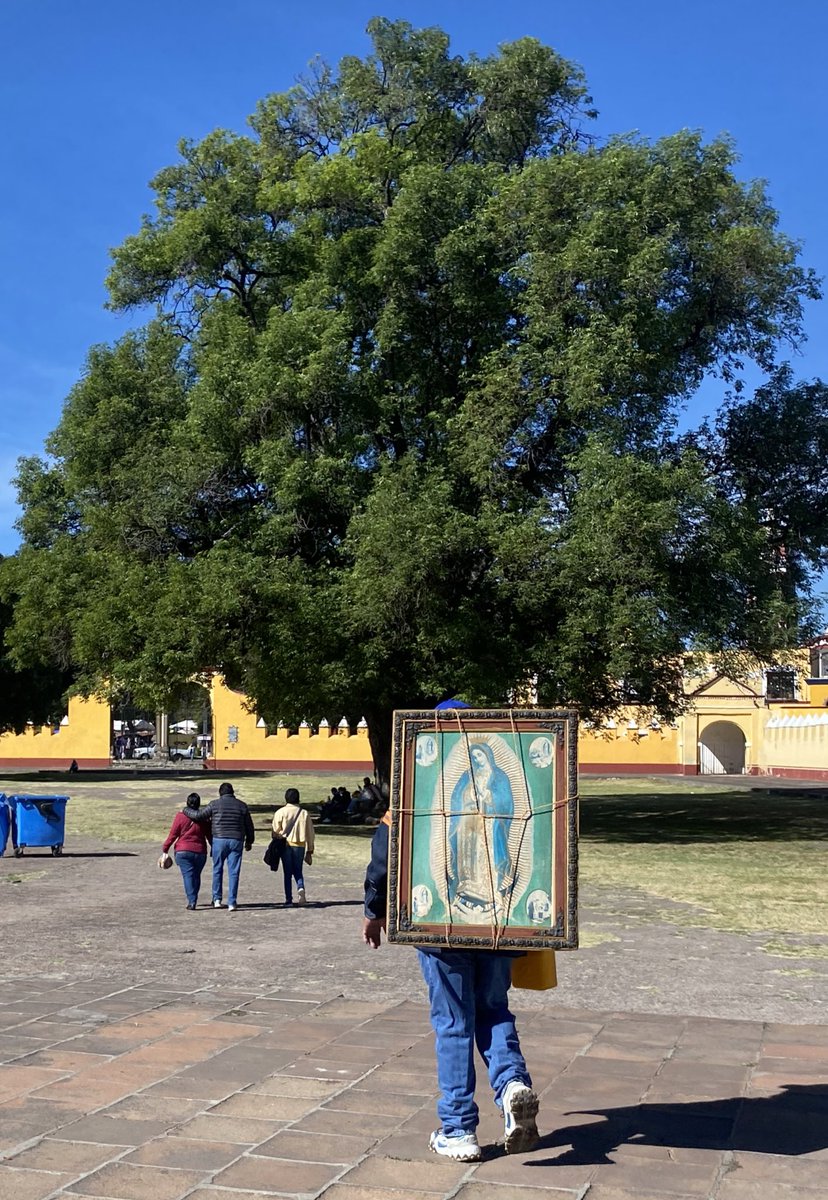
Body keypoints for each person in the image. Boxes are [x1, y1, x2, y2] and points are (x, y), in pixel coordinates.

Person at [362, 709, 539, 1164]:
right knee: (494, 1009)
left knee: (453, 1024)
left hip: (440, 929)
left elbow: (384, 856)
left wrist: (373, 911)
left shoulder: (412, 793)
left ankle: (458, 1128)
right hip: (497, 927)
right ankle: (512, 1084)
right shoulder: (485, 784)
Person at [185, 781, 254, 912]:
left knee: (217, 869)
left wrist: (186, 810)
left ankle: (217, 899)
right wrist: (249, 841)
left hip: (219, 839)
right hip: (236, 840)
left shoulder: (214, 804)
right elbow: (249, 826)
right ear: (232, 793)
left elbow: (199, 816)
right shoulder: (242, 806)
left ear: (220, 793)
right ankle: (232, 902)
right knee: (234, 872)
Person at [162, 792, 211, 909]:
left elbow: (173, 834)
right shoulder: (204, 818)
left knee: (188, 875)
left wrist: (165, 848)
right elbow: (209, 835)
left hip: (183, 850)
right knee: (196, 875)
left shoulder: (180, 816)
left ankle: (192, 900)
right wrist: (214, 847)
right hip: (200, 851)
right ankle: (194, 897)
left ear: (187, 803)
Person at [272, 787, 314, 906]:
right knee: (298, 870)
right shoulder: (304, 813)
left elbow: (275, 831)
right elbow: (310, 833)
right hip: (300, 845)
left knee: (287, 872)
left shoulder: (280, 812)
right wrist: (310, 849)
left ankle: (288, 899)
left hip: (285, 845)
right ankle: (300, 888)